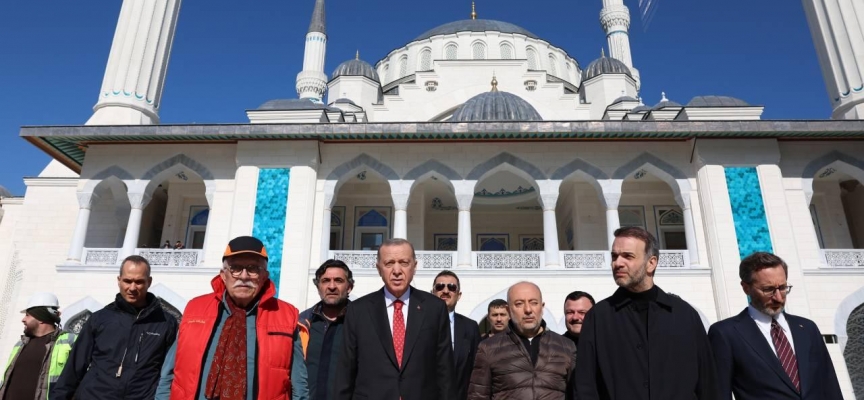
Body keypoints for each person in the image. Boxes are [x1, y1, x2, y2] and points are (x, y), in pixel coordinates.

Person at [155, 236, 307, 400]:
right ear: (223, 275)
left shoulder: (285, 316)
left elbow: (299, 385)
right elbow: (169, 373)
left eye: (253, 269)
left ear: (264, 276)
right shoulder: (195, 309)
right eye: (235, 268)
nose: (243, 276)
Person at [575, 226, 718, 400]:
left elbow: (708, 382)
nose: (617, 263)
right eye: (614, 256)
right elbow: (585, 385)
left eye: (628, 256)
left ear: (651, 263)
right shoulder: (599, 317)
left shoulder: (684, 315)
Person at [708, 252, 843, 399]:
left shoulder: (807, 328)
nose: (778, 297)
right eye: (768, 289)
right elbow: (719, 393)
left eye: (783, 287)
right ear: (746, 288)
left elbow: (829, 385)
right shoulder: (725, 333)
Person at [334, 238, 455, 400]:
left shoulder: (434, 308)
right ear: (379, 268)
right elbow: (345, 370)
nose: (397, 271)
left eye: (404, 263)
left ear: (414, 266)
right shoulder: (359, 310)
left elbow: (445, 370)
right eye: (389, 263)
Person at [52, 255, 178, 399]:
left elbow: (169, 372)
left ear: (149, 282)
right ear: (119, 280)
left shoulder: (165, 323)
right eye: (127, 281)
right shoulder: (100, 319)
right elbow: (74, 367)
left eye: (139, 282)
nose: (132, 288)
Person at [468, 282, 576, 399]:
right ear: (509, 310)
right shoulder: (488, 348)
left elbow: (577, 393)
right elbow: (478, 396)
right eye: (519, 304)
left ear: (542, 307)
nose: (528, 310)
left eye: (534, 303)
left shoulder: (566, 347)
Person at [0, 292, 75, 400]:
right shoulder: (20, 343)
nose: (23, 319)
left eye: (27, 315)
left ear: (41, 318)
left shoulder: (69, 341)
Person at [298, 259, 354, 400]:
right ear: (318, 287)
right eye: (325, 281)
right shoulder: (302, 323)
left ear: (349, 287)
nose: (332, 286)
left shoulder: (362, 322)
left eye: (339, 280)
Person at [432, 270, 480, 400]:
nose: (446, 291)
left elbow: (477, 370)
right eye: (440, 287)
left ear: (459, 295)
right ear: (433, 292)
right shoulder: (418, 324)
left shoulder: (470, 327)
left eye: (452, 287)